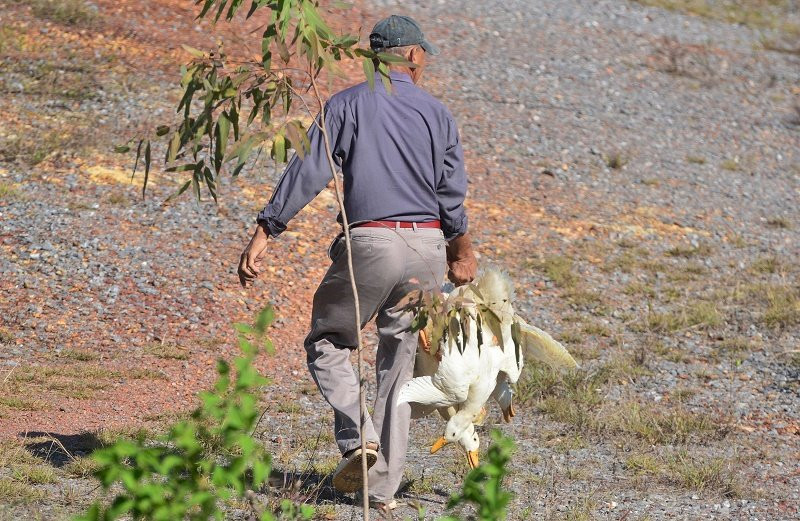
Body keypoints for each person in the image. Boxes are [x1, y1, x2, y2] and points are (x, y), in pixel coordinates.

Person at [237, 14, 478, 511]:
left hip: (371, 242)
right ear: (413, 56)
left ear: (373, 57)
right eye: (424, 57)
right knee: (399, 369)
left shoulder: (346, 104)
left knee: (328, 341)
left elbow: (309, 169)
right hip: (428, 248)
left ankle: (358, 438)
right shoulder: (438, 114)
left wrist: (267, 228)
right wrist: (460, 252)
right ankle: (382, 490)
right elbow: (450, 195)